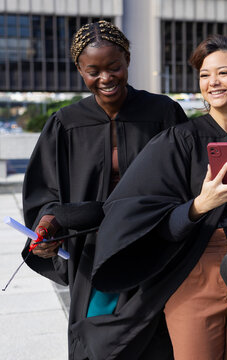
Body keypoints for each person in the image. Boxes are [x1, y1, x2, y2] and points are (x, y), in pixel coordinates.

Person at [90, 34, 227, 360]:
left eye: (223, 72)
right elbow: (145, 213)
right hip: (196, 273)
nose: (213, 82)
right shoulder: (180, 140)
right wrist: (200, 205)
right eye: (204, 74)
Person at [22, 20, 188, 359]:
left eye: (114, 67)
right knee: (97, 342)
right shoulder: (65, 123)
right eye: (93, 71)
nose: (106, 78)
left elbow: (187, 179)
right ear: (80, 71)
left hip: (153, 245)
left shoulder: (163, 113)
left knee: (157, 340)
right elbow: (46, 195)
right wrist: (46, 229)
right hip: (93, 250)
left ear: (127, 60)